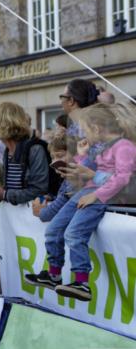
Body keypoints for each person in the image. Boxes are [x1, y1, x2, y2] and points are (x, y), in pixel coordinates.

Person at [25, 104, 136, 300]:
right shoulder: (100, 148)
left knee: (74, 233)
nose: (83, 134)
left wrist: (96, 195)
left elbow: (122, 178)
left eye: (85, 130)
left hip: (97, 196)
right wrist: (82, 154)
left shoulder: (124, 147)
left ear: (96, 129)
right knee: (53, 230)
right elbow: (81, 172)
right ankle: (54, 274)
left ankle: (82, 282)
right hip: (86, 192)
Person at [0, 102, 49, 206]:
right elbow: (12, 190)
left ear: (4, 123)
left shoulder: (35, 149)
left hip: (33, 219)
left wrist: (4, 194)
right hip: (16, 219)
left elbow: (39, 191)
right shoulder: (8, 151)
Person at [33, 132, 73, 223]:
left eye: (60, 156)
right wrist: (51, 197)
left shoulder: (73, 182)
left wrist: (40, 211)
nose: (54, 162)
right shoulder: (66, 180)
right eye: (52, 157)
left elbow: (55, 209)